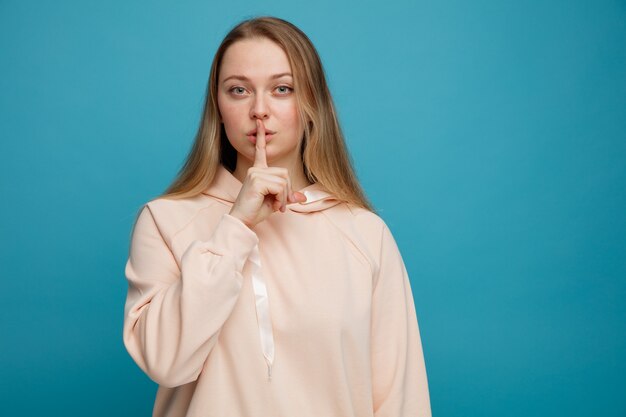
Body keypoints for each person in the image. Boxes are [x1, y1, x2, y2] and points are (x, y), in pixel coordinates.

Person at [122, 16, 432, 417]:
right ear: (217, 107)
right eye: (238, 90)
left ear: (311, 105)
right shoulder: (164, 221)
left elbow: (400, 399)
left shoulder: (366, 234)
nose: (259, 110)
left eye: (282, 89)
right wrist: (234, 227)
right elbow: (166, 361)